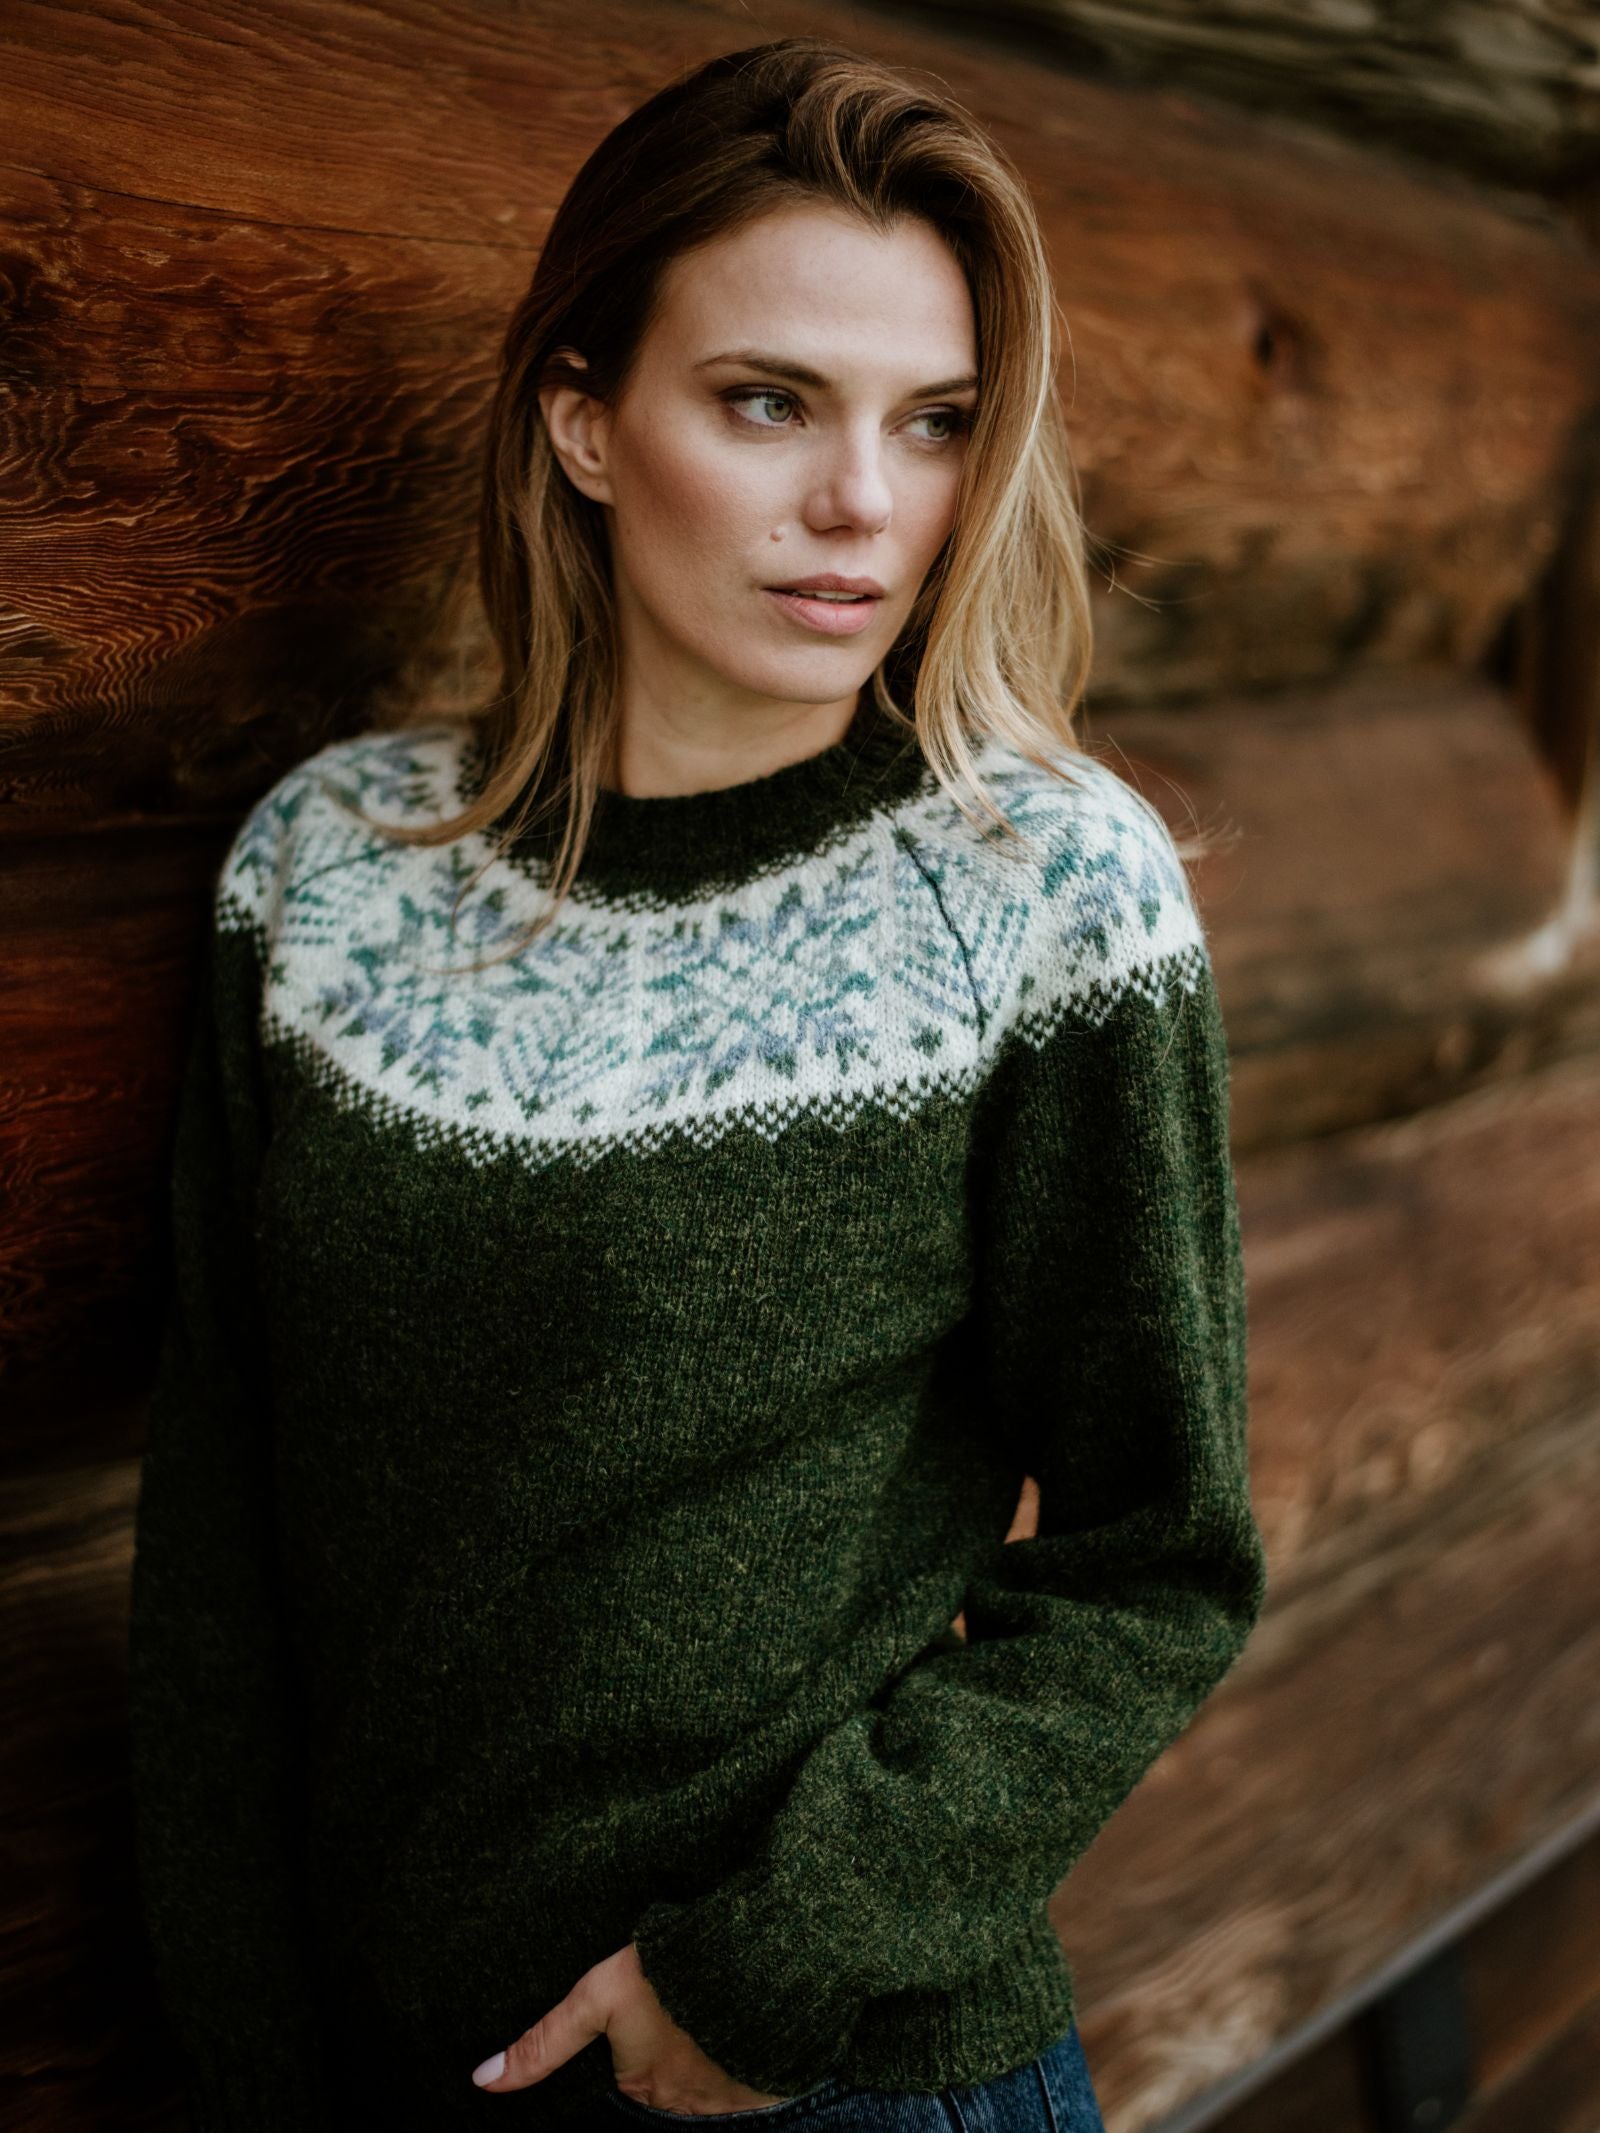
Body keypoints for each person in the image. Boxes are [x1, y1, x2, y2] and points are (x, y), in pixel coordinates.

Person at [126, 35, 1268, 2133]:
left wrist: (767, 1966)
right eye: (767, 402)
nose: (863, 504)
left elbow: (1154, 1551)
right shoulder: (324, 875)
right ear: (583, 421)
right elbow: (220, 1545)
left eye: (933, 423)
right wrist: (247, 2054)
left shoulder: (1035, 885)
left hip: (819, 2077)